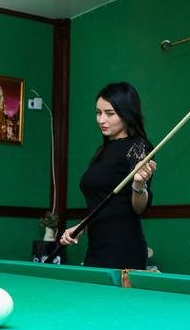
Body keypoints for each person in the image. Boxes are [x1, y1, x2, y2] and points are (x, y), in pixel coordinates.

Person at [59, 82, 157, 269]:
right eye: (98, 113)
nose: (101, 119)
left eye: (109, 113)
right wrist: (81, 226)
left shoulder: (138, 147)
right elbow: (104, 203)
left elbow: (139, 209)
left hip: (123, 248)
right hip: (96, 248)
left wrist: (138, 186)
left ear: (127, 113)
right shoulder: (102, 150)